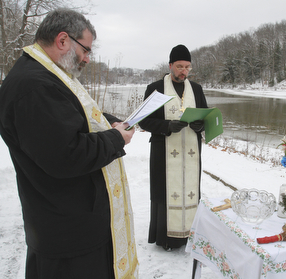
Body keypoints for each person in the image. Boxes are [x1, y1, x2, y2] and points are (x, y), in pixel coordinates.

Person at [0, 9, 138, 279]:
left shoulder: (48, 74)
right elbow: (66, 154)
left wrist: (108, 122)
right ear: (63, 40)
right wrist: (115, 138)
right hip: (68, 236)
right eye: (86, 49)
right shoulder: (35, 86)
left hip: (72, 225)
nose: (87, 58)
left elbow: (73, 118)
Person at [139, 45, 208, 251]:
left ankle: (190, 235)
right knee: (164, 193)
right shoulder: (155, 88)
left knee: (191, 193)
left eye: (187, 67)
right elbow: (144, 121)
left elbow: (205, 117)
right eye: (179, 66)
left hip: (191, 154)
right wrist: (167, 126)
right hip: (163, 152)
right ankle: (166, 238)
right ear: (170, 65)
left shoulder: (196, 89)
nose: (183, 71)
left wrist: (200, 125)